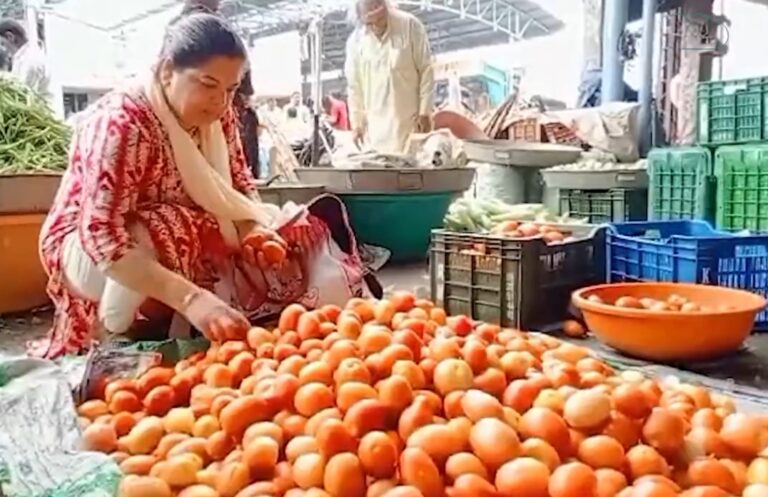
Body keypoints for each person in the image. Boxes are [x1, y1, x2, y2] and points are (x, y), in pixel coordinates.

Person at [32, 12, 367, 358]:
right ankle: (119, 326)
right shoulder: (122, 123)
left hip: (172, 235)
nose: (220, 101)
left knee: (283, 228)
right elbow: (101, 235)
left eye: (231, 89)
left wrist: (251, 229)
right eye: (208, 84)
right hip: (86, 253)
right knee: (171, 226)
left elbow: (238, 183)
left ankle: (176, 312)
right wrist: (191, 299)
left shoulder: (219, 116)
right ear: (167, 71)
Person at [345, 0, 434, 153]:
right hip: (376, 132)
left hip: (410, 125)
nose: (376, 26)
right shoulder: (356, 42)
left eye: (380, 19)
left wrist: (425, 112)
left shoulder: (410, 26)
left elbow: (426, 70)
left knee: (411, 163)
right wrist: (357, 124)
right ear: (361, 20)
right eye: (370, 23)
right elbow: (355, 87)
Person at [0, 18, 50, 99]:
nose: (4, 49)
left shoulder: (30, 59)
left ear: (10, 37)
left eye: (3, 44)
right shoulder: (21, 59)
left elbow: (23, 94)